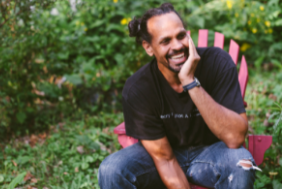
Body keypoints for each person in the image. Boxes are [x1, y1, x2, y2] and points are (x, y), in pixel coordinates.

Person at [98, 3, 258, 189]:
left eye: (181, 36)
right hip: (162, 157)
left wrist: (190, 82)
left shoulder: (217, 63)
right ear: (148, 47)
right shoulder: (139, 88)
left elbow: (235, 137)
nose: (177, 46)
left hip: (213, 153)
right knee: (111, 169)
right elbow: (165, 159)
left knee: (241, 163)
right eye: (165, 41)